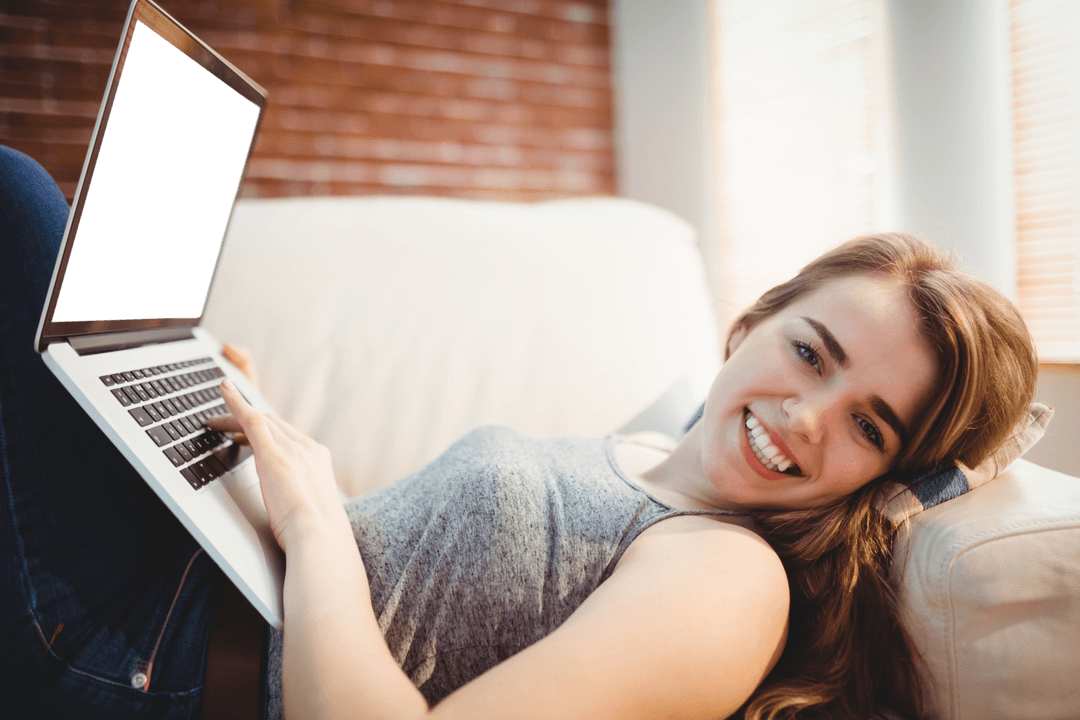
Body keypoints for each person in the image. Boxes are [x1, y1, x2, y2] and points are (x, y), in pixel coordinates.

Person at [0, 143, 1037, 720]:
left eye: (870, 426)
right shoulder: (650, 459)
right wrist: (269, 451)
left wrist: (315, 523)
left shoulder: (730, 578)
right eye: (811, 353)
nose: (804, 420)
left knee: (16, 197)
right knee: (97, 249)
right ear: (756, 320)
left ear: (883, 473)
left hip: (146, 662)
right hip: (195, 574)